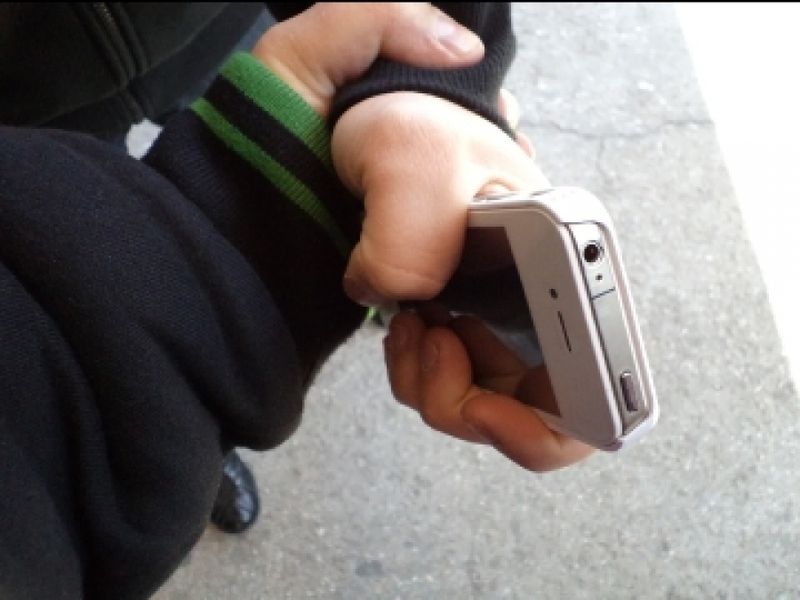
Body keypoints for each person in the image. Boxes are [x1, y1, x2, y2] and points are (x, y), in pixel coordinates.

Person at [0, 3, 592, 599]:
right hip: (27, 100)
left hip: (208, 25)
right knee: (82, 164)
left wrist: (425, 83)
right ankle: (149, 431)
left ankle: (153, 425)